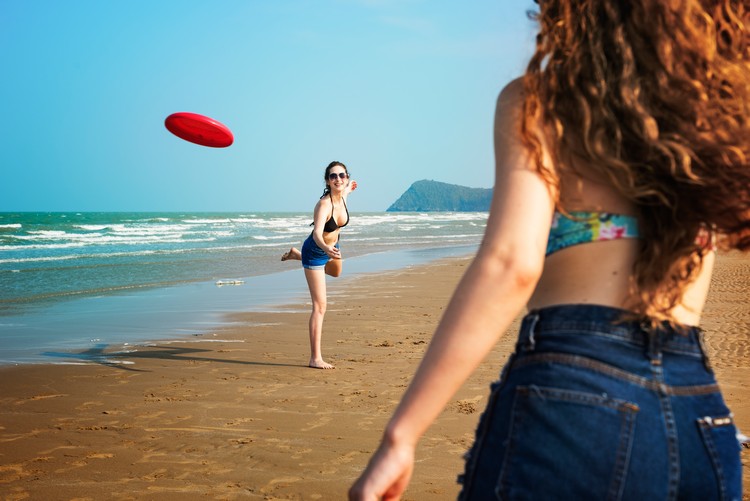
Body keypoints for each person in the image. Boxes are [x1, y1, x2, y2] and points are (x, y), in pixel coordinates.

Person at [350, 0, 749, 499]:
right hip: (700, 411)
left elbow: (512, 263)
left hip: (576, 390)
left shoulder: (542, 101)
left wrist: (401, 436)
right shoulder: (715, 115)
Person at [282, 161, 357, 369]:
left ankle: (297, 256)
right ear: (327, 180)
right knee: (320, 306)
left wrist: (350, 188)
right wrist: (325, 248)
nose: (338, 179)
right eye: (333, 176)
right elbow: (316, 234)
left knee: (336, 273)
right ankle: (315, 358)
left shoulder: (343, 194)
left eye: (342, 175)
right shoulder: (324, 204)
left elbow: (347, 190)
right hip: (317, 249)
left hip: (333, 246)